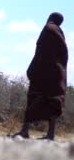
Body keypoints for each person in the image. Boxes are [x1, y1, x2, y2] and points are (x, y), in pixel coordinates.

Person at [13, 12, 68, 141]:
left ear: (50, 18)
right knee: (53, 101)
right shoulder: (59, 33)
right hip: (56, 73)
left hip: (43, 72)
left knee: (33, 98)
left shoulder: (48, 29)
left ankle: (25, 130)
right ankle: (50, 134)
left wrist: (32, 68)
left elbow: (41, 52)